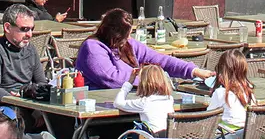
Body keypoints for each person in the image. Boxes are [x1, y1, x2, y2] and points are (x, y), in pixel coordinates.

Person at [75, 8, 209, 89]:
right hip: (100, 105)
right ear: (115, 35)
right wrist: (153, 78)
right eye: (126, 35)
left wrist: (194, 71)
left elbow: (160, 60)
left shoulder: (128, 44)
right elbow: (113, 79)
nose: (129, 38)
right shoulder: (92, 48)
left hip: (131, 100)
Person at [0, 3, 49, 107]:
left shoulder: (31, 49)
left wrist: (38, 105)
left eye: (31, 29)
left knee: (62, 118)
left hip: (26, 103)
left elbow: (42, 82)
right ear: (7, 27)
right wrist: (17, 101)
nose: (30, 34)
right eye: (24, 29)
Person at [114, 63, 177, 134]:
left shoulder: (144, 103)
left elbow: (118, 103)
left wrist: (130, 81)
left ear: (143, 84)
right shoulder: (169, 99)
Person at [207, 48, 254, 134]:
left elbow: (208, 118)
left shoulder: (221, 93)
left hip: (227, 137)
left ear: (222, 70)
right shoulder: (248, 89)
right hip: (246, 135)